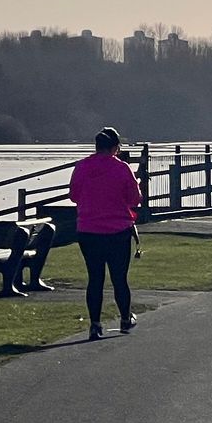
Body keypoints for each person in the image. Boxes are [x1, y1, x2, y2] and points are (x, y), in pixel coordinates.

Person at [68, 127, 142, 341]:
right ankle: (125, 319)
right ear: (115, 147)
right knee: (119, 278)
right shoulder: (122, 169)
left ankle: (95, 324)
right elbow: (134, 200)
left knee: (95, 278)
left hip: (88, 230)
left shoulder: (82, 166)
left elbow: (74, 196)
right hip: (118, 230)